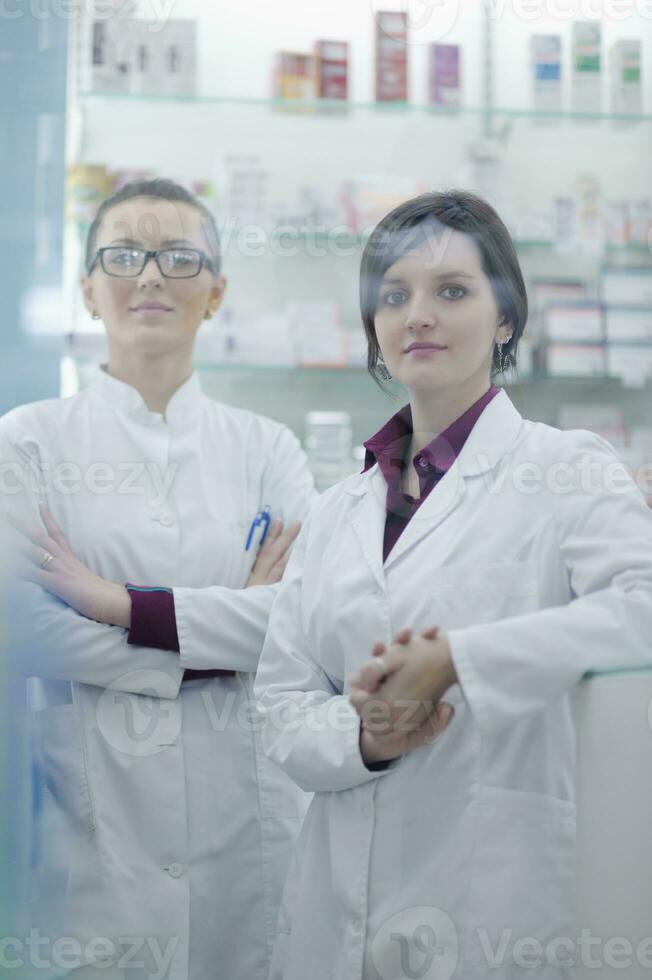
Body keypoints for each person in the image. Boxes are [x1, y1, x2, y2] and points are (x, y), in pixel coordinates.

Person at [254, 190, 652, 980]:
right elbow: (278, 705)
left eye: (452, 291)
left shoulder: (567, 468)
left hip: (488, 902)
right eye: (394, 296)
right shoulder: (337, 510)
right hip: (337, 910)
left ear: (505, 317)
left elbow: (641, 611)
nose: (418, 315)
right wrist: (365, 737)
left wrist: (459, 660)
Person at [2, 178, 316, 980]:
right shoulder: (26, 443)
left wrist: (113, 607)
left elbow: (301, 621)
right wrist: (213, 640)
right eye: (123, 255)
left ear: (215, 292)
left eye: (179, 257)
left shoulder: (268, 448)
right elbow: (22, 628)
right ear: (88, 289)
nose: (149, 276)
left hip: (242, 821)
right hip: (88, 823)